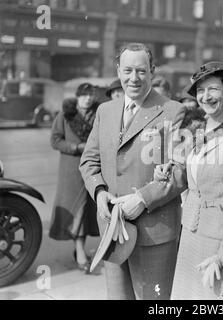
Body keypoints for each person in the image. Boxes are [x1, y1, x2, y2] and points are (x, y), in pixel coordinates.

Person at [79, 43, 187, 300]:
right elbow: (89, 162)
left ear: (152, 71)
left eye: (141, 70)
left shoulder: (172, 110)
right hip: (112, 227)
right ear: (118, 71)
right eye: (127, 70)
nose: (133, 78)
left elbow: (181, 170)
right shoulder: (105, 111)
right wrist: (100, 192)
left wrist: (142, 198)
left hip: (154, 233)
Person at [154, 61, 223, 299]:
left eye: (213, 89)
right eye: (200, 91)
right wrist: (167, 169)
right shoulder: (199, 131)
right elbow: (189, 175)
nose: (205, 96)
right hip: (192, 233)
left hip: (220, 238)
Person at [49, 83, 100, 272]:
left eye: (91, 95)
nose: (88, 99)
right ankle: (79, 253)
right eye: (84, 95)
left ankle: (79, 250)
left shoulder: (98, 114)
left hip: (92, 167)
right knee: (76, 209)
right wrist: (75, 147)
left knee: (85, 211)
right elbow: (55, 140)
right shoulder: (65, 115)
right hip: (70, 169)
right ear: (77, 97)